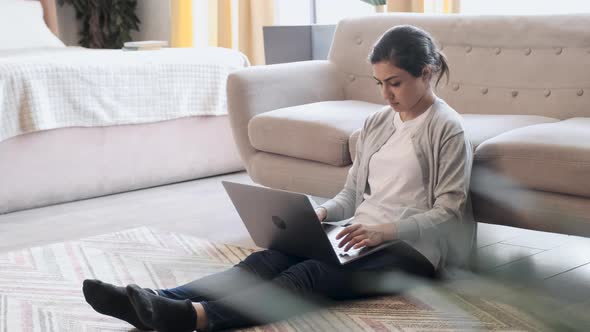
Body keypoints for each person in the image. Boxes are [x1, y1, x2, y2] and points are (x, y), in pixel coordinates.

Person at [82, 25, 474, 332]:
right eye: (380, 83)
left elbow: (450, 210)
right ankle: (152, 301)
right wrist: (320, 215)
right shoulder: (377, 123)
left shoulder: (446, 128)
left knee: (307, 275)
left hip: (412, 252)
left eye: (395, 82)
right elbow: (352, 194)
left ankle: (195, 317)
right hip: (357, 236)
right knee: (267, 260)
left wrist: (384, 231)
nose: (386, 94)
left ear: (427, 73)